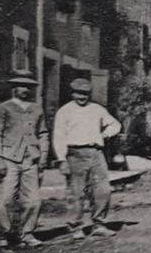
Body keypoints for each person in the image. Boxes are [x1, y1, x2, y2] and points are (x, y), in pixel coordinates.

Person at [52, 76, 123, 238]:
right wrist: (62, 159)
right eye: (78, 93)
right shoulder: (64, 111)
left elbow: (116, 125)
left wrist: (104, 135)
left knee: (102, 190)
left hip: (96, 153)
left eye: (85, 94)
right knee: (76, 192)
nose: (81, 97)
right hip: (75, 153)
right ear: (72, 94)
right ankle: (75, 227)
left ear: (89, 94)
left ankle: (98, 224)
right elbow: (59, 136)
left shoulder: (97, 109)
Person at [0, 71, 49, 248]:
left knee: (33, 199)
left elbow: (43, 133)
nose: (25, 89)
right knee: (6, 198)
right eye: (21, 86)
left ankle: (27, 233)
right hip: (9, 157)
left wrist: (43, 155)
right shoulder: (4, 108)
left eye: (28, 86)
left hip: (31, 158)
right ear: (14, 88)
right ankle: (3, 233)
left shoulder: (36, 108)